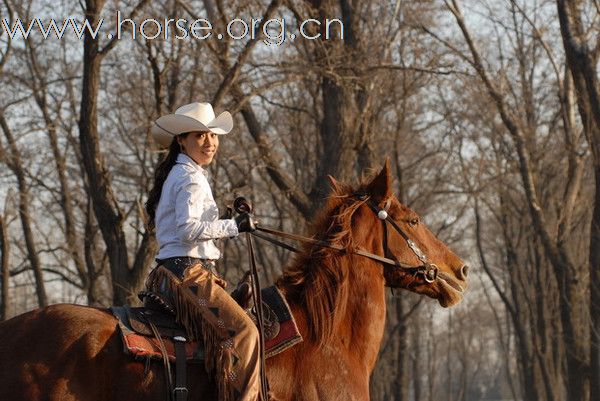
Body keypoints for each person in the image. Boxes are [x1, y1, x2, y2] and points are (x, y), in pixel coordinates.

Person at [145, 102, 260, 401]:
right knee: (245, 333)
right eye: (199, 135)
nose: (209, 143)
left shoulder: (183, 173)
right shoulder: (190, 178)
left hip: (175, 271)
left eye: (213, 136)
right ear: (182, 139)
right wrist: (233, 225)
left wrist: (222, 221)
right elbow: (187, 230)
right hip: (188, 274)